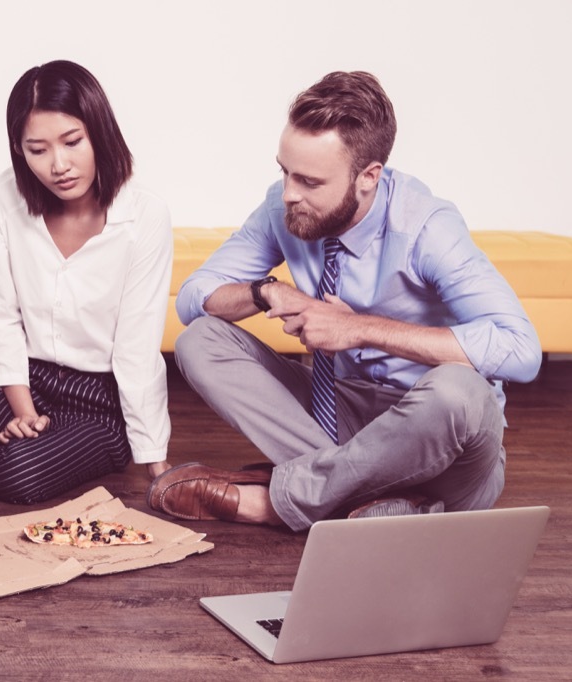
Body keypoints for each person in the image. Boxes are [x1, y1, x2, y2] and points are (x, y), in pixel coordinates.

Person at [147, 71, 542, 531]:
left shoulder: (427, 227)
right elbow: (196, 297)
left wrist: (359, 328)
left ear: (368, 177)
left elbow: (521, 350)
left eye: (310, 182)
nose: (289, 193)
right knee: (201, 340)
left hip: (437, 431)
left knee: (461, 392)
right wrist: (266, 290)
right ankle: (378, 504)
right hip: (343, 414)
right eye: (284, 171)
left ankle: (276, 503)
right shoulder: (285, 205)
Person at [0, 60, 173, 504]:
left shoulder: (144, 215)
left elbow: (137, 344)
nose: (59, 165)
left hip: (99, 396)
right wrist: (24, 414)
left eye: (73, 142)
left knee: (17, 474)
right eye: (38, 150)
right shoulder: (3, 198)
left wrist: (155, 461)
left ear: (99, 132)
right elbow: (0, 316)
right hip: (21, 376)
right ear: (19, 149)